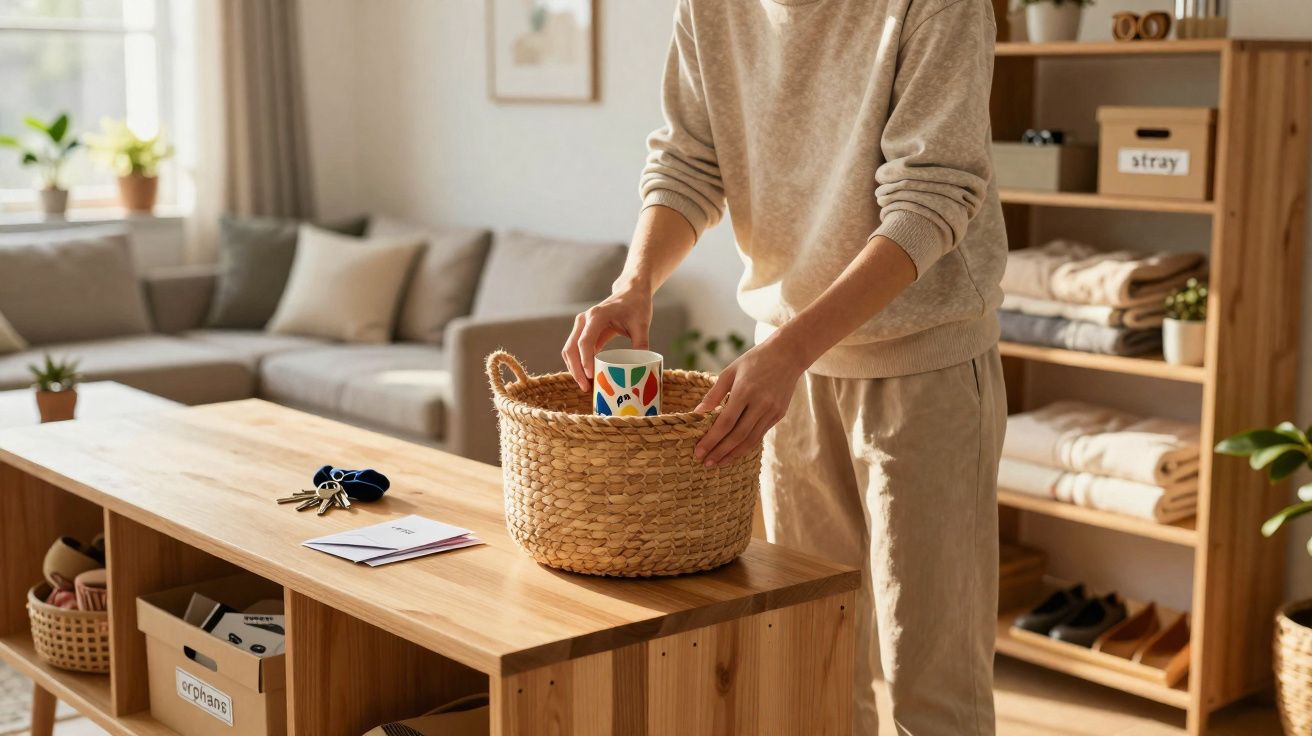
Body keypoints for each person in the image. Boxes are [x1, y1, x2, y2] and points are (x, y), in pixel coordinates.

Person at [562, 1, 1007, 733]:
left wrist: (791, 350)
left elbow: (932, 196)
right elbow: (688, 163)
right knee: (814, 674)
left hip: (921, 371)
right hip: (784, 377)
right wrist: (633, 283)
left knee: (935, 692)